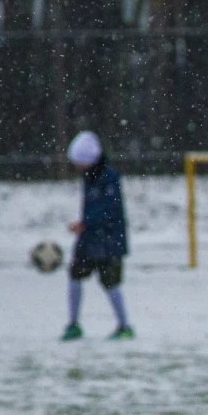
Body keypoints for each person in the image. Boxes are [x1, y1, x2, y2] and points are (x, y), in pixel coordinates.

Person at [63, 130, 133, 341]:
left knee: (111, 283)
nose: (77, 166)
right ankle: (73, 324)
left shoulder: (109, 177)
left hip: (109, 241)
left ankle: (124, 326)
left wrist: (86, 223)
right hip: (90, 239)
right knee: (75, 275)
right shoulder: (88, 177)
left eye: (79, 161)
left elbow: (109, 209)